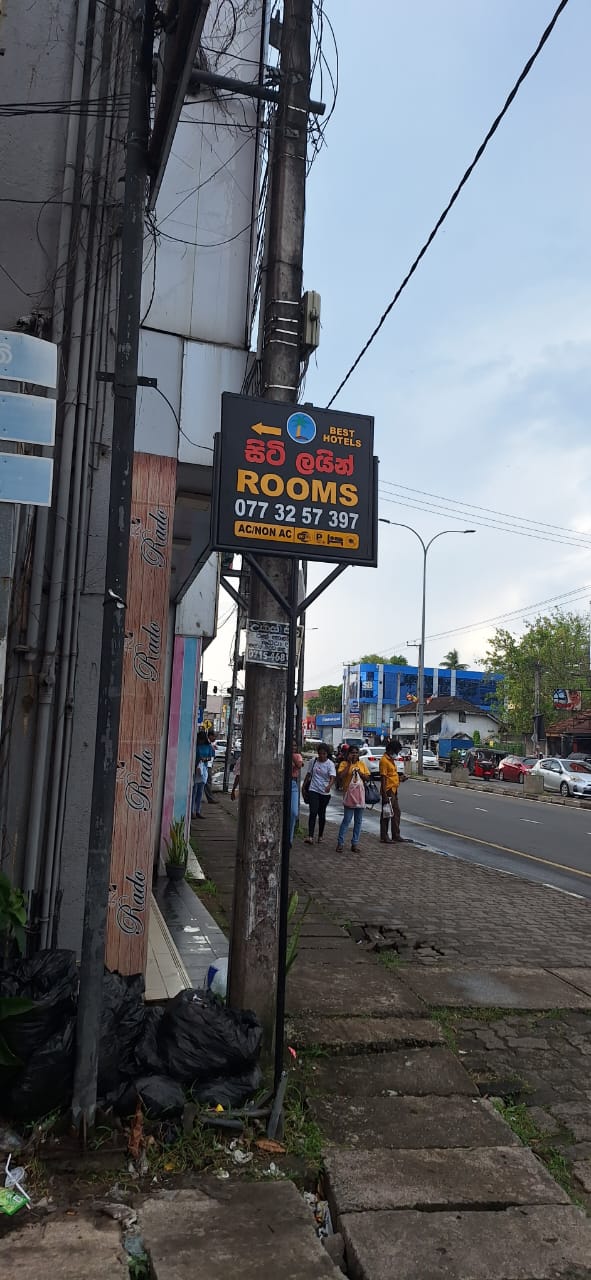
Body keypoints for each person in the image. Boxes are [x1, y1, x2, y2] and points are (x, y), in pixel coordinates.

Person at [336, 745, 370, 853]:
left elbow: (367, 777)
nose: (354, 754)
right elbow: (340, 776)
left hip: (359, 796)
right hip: (349, 795)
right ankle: (340, 843)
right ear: (348, 754)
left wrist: (360, 773)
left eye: (356, 753)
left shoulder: (361, 764)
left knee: (358, 821)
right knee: (347, 820)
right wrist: (349, 765)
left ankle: (355, 843)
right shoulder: (343, 764)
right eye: (352, 753)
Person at [303, 743, 336, 844]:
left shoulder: (330, 764)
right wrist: (304, 786)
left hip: (324, 793)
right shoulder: (313, 762)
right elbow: (309, 774)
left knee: (321, 814)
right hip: (313, 789)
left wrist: (329, 786)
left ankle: (320, 835)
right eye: (320, 753)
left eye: (324, 754)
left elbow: (332, 777)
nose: (322, 756)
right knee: (313, 812)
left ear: (327, 754)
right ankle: (310, 836)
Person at [379, 737, 406, 843]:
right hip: (388, 790)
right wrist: (384, 794)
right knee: (386, 814)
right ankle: (384, 836)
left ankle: (396, 835)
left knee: (396, 813)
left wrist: (400, 778)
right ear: (391, 750)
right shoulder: (384, 761)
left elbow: (391, 776)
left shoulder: (391, 760)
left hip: (394, 789)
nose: (397, 754)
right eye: (396, 752)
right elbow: (383, 778)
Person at [192, 729, 209, 819]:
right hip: (195, 770)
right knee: (194, 791)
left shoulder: (207, 747)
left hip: (202, 770)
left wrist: (204, 759)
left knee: (199, 792)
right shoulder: (195, 746)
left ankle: (197, 810)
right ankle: (192, 811)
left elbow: (210, 757)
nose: (201, 741)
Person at [290, 740, 303, 845]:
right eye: (291, 745)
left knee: (294, 812)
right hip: (282, 783)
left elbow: (298, 765)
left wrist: (291, 754)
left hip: (293, 784)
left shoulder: (297, 756)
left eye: (294, 745)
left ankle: (289, 839)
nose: (293, 747)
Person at [204, 728, 217, 803]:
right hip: (207, 765)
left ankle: (210, 797)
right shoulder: (207, 744)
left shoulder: (210, 744)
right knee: (208, 782)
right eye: (214, 736)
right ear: (210, 736)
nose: (215, 738)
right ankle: (210, 798)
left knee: (208, 782)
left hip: (209, 764)